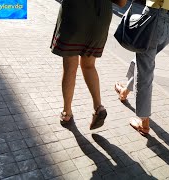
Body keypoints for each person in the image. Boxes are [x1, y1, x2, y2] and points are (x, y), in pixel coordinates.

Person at [50, 0, 127, 129]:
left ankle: (67, 112)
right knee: (89, 66)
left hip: (75, 13)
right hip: (100, 18)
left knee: (70, 67)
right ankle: (98, 107)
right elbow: (122, 2)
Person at [114, 0, 169, 135]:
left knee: (145, 70)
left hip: (154, 17)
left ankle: (144, 122)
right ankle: (125, 92)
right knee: (144, 61)